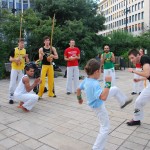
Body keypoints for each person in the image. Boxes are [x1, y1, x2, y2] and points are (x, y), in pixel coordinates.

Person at [77, 59, 132, 150]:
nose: (101, 72)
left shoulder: (86, 80)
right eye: (101, 70)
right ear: (96, 71)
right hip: (98, 106)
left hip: (96, 100)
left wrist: (79, 99)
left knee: (115, 89)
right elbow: (103, 97)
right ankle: (96, 148)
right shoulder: (94, 84)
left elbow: (78, 89)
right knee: (105, 127)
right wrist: (108, 83)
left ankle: (123, 102)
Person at [127, 49, 150, 126]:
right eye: (130, 58)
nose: (131, 60)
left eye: (132, 58)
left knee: (138, 101)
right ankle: (136, 120)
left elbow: (147, 74)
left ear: (138, 55)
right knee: (138, 101)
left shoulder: (144, 58)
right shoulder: (143, 61)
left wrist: (133, 71)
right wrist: (139, 79)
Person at [9, 38, 29, 104]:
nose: (22, 44)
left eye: (23, 43)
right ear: (18, 43)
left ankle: (21, 98)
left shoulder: (25, 50)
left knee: (22, 83)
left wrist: (26, 57)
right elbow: (10, 59)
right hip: (14, 68)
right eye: (21, 43)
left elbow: (27, 61)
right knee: (13, 83)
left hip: (21, 69)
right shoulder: (14, 50)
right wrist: (15, 59)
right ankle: (11, 98)